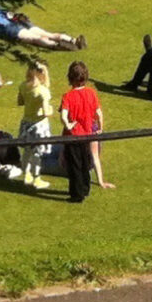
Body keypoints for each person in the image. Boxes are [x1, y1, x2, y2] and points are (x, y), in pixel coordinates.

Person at [59, 59, 105, 202]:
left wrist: (68, 124)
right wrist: (100, 127)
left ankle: (76, 195)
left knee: (75, 166)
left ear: (70, 78)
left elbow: (63, 115)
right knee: (85, 163)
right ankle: (85, 189)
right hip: (87, 134)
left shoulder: (68, 96)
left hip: (73, 137)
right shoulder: (91, 93)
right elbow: (98, 113)